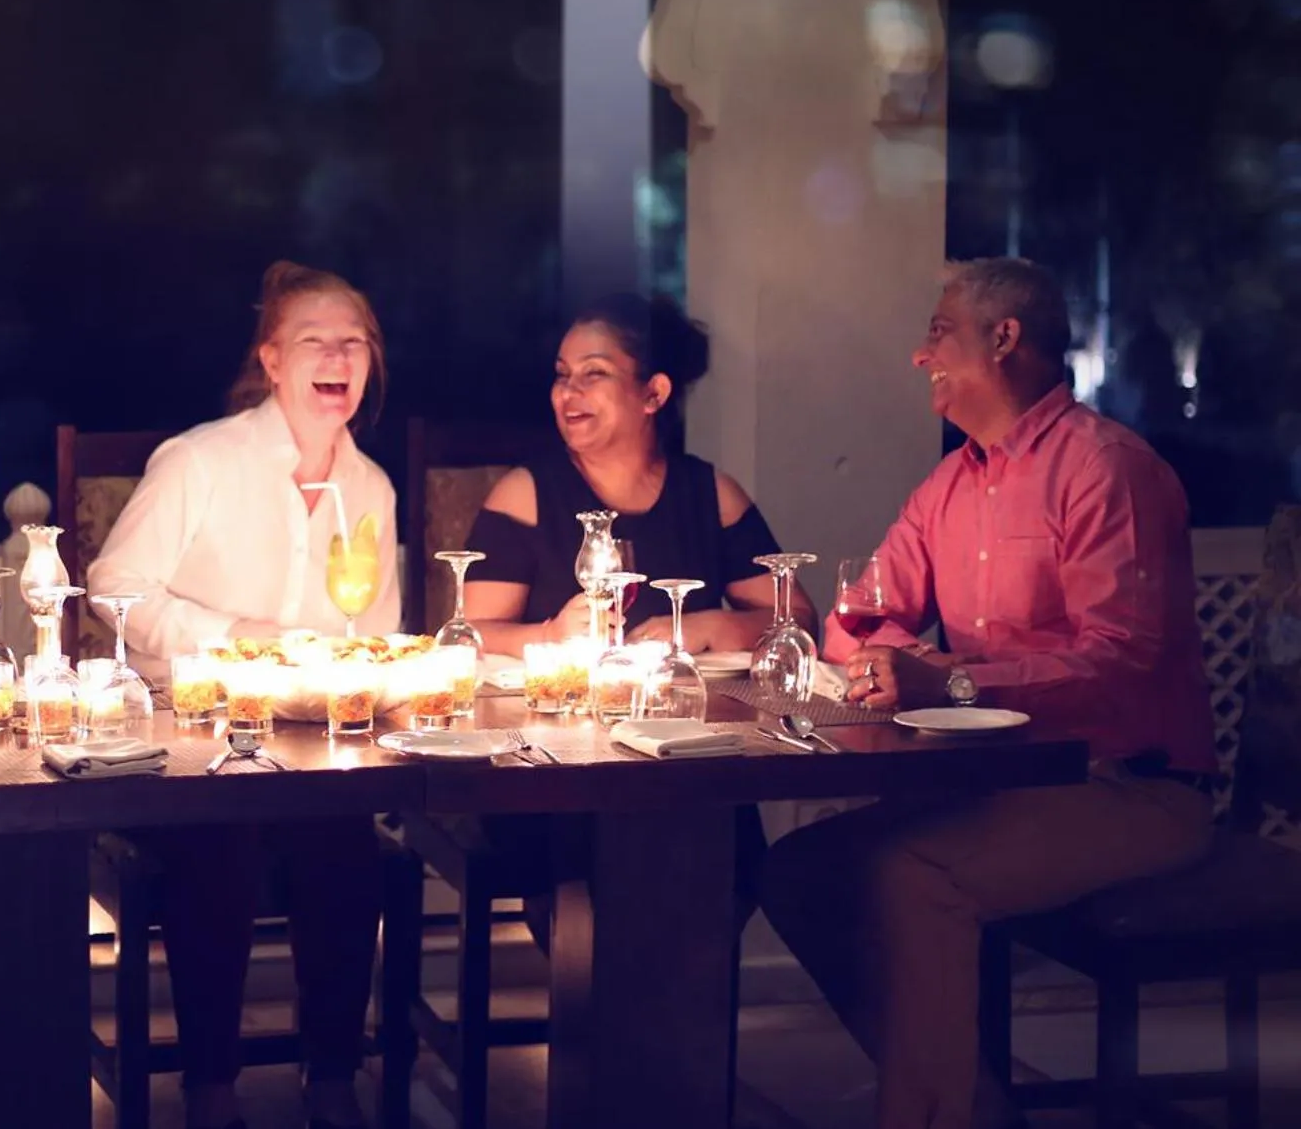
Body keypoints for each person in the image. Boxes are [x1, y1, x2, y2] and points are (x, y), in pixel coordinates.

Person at [762, 258, 1218, 1129]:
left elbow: (1121, 660)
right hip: (1000, 781)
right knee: (796, 870)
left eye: (938, 332)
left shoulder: (1107, 469)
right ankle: (968, 1103)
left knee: (912, 875)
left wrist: (951, 680)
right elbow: (855, 620)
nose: (918, 354)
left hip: (1133, 786)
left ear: (1004, 339)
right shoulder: (950, 486)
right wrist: (898, 660)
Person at [90, 260, 398, 1129]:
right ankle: (210, 1088)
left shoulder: (370, 488)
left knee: (348, 846)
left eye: (353, 343)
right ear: (271, 359)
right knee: (217, 841)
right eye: (314, 341)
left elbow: (373, 632)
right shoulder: (201, 461)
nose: (336, 358)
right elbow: (114, 586)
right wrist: (236, 637)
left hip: (310, 739)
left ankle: (332, 1078)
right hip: (192, 732)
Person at [462, 293, 812, 653]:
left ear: (654, 394)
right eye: (563, 374)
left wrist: (709, 626)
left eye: (594, 373)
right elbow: (469, 635)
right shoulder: (526, 497)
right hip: (561, 689)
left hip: (681, 690)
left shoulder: (710, 495)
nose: (567, 392)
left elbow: (798, 619)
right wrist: (550, 636)